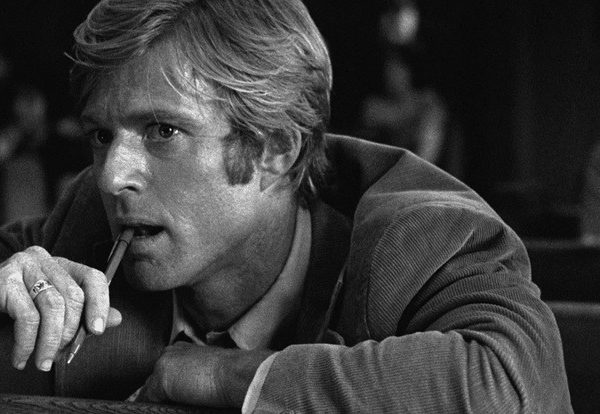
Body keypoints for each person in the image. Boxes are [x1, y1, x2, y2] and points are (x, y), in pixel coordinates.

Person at [0, 0, 571, 412]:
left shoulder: (421, 238)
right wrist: (10, 282)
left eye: (162, 131)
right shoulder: (83, 223)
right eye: (101, 135)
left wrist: (219, 378)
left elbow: (511, 385)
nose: (111, 176)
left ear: (275, 149)